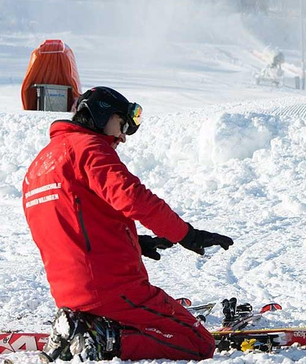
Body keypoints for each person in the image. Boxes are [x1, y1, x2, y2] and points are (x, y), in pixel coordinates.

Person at [22, 86, 234, 361]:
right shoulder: (88, 148)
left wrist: (134, 241)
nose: (122, 137)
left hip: (70, 295)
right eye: (121, 124)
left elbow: (69, 224)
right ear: (100, 114)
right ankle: (103, 339)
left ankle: (84, 325)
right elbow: (134, 198)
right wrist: (187, 235)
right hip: (112, 290)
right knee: (198, 342)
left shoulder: (39, 166)